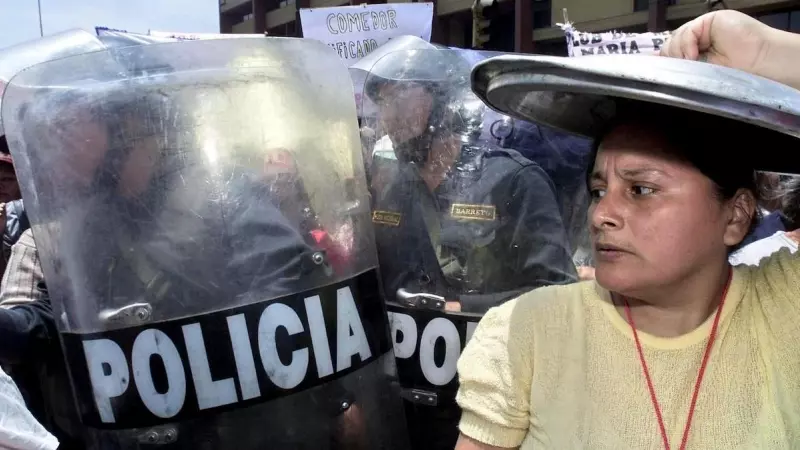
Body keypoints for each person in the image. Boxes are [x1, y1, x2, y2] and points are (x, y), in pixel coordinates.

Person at [454, 9, 800, 450]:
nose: (601, 215)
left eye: (640, 189)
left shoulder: (785, 309)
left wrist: (770, 53)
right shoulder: (529, 332)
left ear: (734, 217)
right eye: (599, 190)